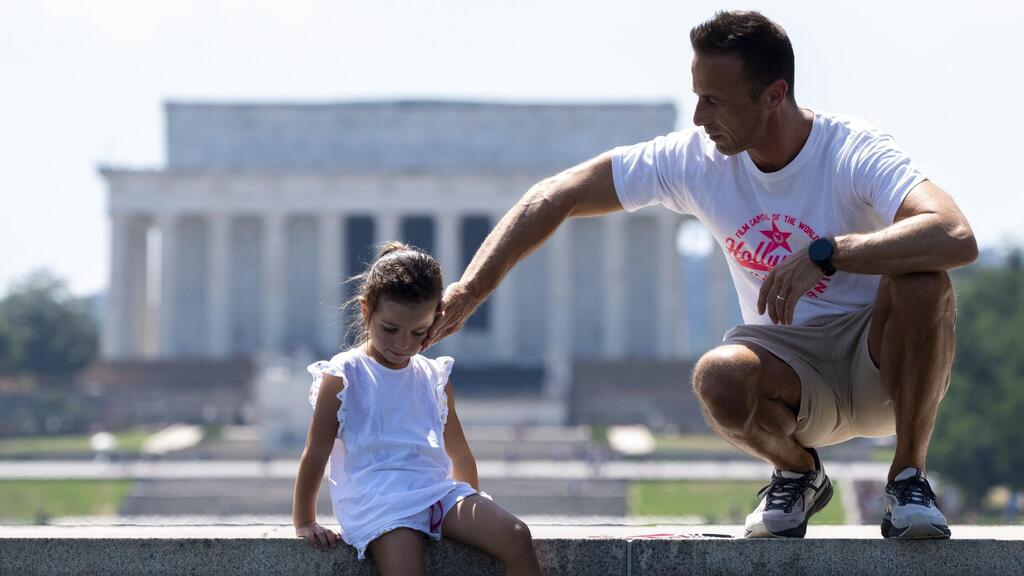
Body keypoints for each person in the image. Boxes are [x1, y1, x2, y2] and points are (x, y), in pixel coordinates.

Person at [424, 11, 977, 540]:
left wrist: (829, 253)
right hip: (790, 368)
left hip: (878, 359)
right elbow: (556, 193)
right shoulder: (696, 159)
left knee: (924, 280)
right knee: (718, 377)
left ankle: (908, 481)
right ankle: (797, 474)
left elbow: (954, 234)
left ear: (773, 95)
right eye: (696, 96)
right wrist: (473, 288)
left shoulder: (851, 150)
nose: (697, 117)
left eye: (714, 100)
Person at [293, 242, 542, 575]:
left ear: (437, 318)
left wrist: (472, 507)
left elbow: (460, 454)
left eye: (419, 332)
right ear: (366, 310)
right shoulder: (344, 374)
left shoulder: (433, 375)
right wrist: (305, 520)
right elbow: (316, 451)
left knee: (516, 536)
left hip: (436, 493)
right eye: (390, 329)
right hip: (379, 502)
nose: (403, 344)